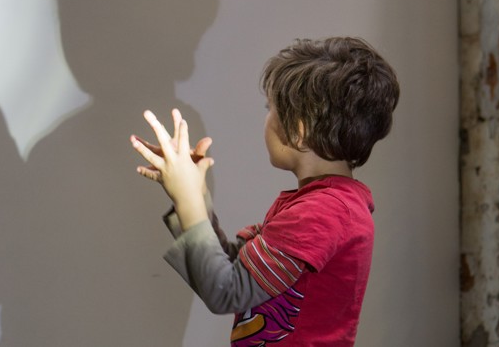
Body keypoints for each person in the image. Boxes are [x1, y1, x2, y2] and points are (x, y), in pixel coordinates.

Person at [130, 37, 400, 346]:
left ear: (298, 129)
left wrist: (188, 197)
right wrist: (193, 195)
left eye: (269, 107)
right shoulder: (325, 206)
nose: (266, 117)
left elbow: (226, 290)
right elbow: (235, 272)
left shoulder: (326, 212)